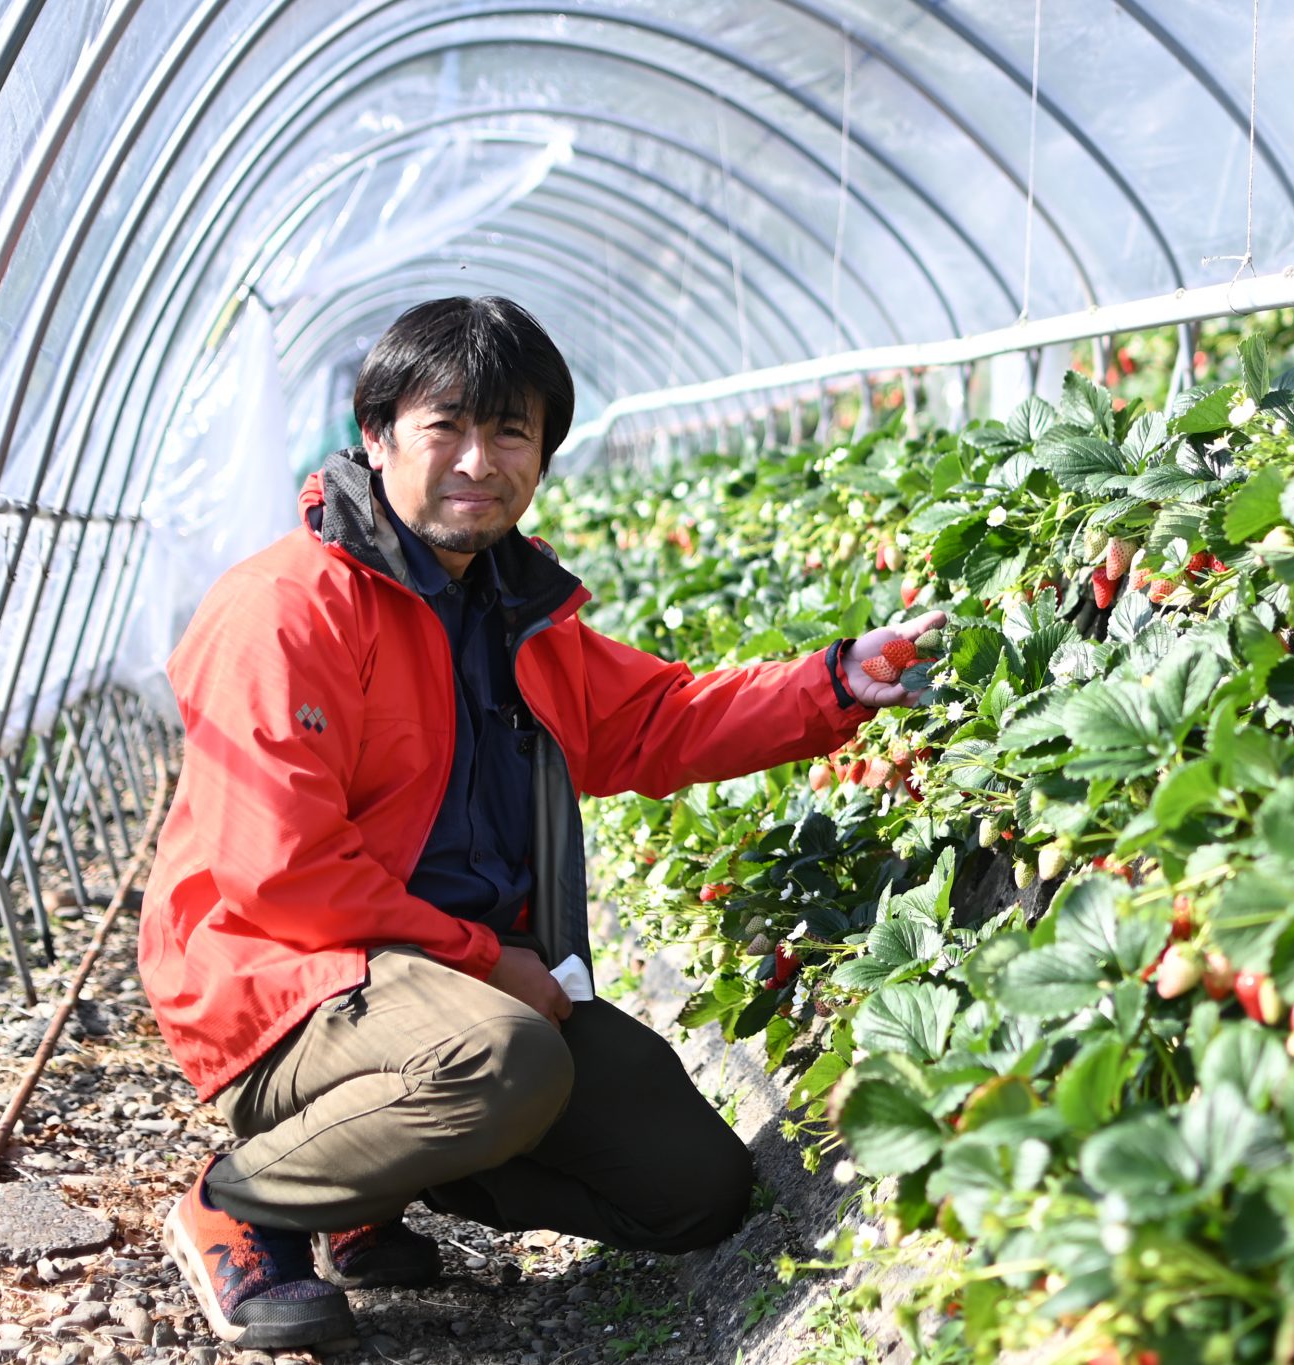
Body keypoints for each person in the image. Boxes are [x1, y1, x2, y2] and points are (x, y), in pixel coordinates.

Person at [137, 296, 940, 1350]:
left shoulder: (509, 608)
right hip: (284, 981)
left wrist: (837, 682)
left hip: (453, 987)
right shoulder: (286, 612)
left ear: (543, 452)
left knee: (693, 1190)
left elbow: (655, 721)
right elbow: (277, 873)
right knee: (506, 1060)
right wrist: (485, 958)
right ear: (375, 438)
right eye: (447, 427)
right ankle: (243, 1204)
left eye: (511, 431)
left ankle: (365, 1182)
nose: (480, 460)